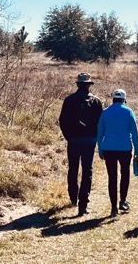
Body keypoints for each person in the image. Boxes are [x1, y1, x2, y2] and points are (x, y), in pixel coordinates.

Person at [58, 72, 103, 216]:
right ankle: (83, 204)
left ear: (77, 84)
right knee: (87, 171)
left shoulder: (69, 100)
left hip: (74, 140)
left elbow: (62, 121)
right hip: (89, 140)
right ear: (89, 85)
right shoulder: (96, 101)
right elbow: (100, 123)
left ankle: (73, 198)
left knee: (73, 169)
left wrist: (69, 137)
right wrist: (96, 138)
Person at [96, 88, 138, 218]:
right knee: (125, 174)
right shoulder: (129, 112)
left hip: (108, 149)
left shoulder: (105, 113)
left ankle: (113, 207)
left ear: (113, 99)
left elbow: (99, 133)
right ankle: (123, 201)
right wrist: (137, 150)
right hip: (125, 148)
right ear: (124, 99)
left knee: (112, 177)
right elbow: (135, 133)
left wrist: (100, 149)